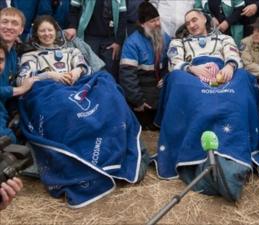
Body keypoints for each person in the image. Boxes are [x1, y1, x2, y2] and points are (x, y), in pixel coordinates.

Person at [17, 15, 148, 208]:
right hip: (50, 91)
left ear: (56, 31)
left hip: (78, 86)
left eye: (50, 30)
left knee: (106, 86)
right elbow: (22, 80)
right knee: (65, 105)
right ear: (36, 34)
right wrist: (49, 75)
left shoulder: (71, 50)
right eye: (42, 31)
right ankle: (80, 157)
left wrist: (76, 72)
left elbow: (85, 67)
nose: (46, 34)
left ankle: (111, 149)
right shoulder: (30, 56)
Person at [156, 9, 259, 201]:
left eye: (195, 20)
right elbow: (175, 62)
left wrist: (229, 67)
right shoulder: (178, 42)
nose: (191, 25)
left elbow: (234, 56)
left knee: (243, 77)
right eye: (188, 22)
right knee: (176, 78)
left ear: (205, 20)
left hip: (225, 77)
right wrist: (193, 68)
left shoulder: (224, 39)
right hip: (193, 78)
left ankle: (233, 146)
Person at [119, 0, 170, 130]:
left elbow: (172, 64)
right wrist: (139, 101)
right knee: (146, 125)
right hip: (142, 98)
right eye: (152, 21)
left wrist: (166, 77)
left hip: (161, 92)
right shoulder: (132, 43)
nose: (157, 24)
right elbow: (127, 77)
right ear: (142, 24)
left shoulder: (166, 38)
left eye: (158, 19)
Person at [0, 7, 37, 143]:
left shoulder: (14, 54)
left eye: (14, 23)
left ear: (21, 30)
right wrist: (20, 90)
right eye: (4, 22)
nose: (9, 27)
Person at [65, 0, 127, 79]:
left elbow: (123, 17)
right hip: (88, 38)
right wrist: (72, 26)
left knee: (110, 73)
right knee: (89, 71)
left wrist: (118, 42)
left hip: (110, 40)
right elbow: (74, 9)